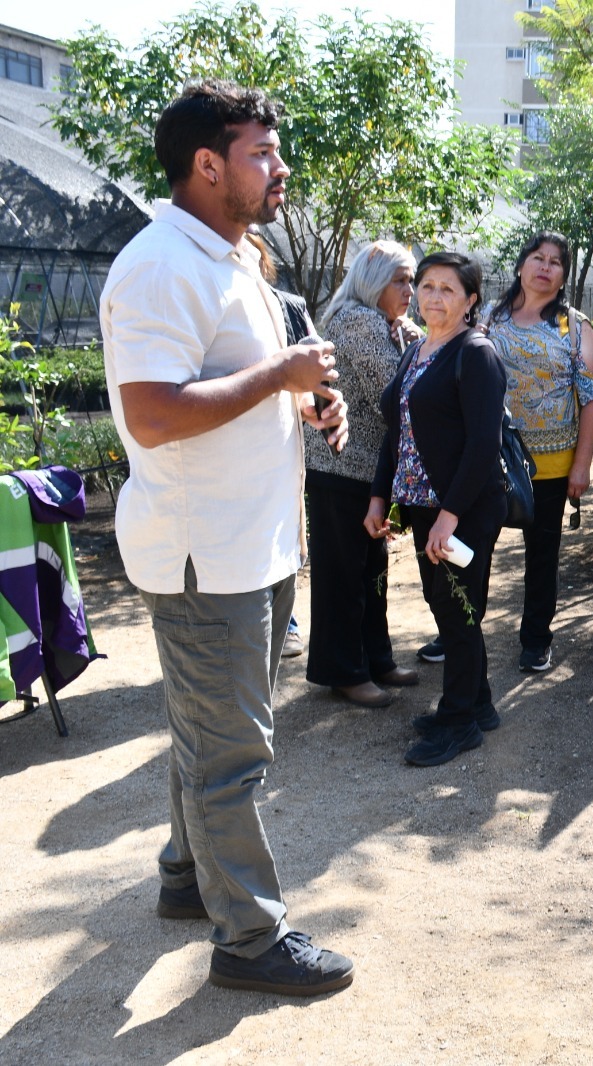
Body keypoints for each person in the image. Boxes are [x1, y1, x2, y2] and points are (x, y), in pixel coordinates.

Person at [100, 80, 354, 995]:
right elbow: (153, 413)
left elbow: (234, 379)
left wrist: (304, 399)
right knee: (230, 755)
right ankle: (249, 940)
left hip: (254, 544)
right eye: (262, 153)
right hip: (205, 555)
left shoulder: (234, 257)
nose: (280, 167)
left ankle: (184, 876)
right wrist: (279, 373)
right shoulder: (160, 265)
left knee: (204, 733)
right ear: (207, 165)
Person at [365, 252, 507, 768]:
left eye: (448, 289)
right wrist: (380, 497)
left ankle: (458, 721)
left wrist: (450, 515)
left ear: (470, 301)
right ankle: (479, 703)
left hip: (464, 507)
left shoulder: (477, 353)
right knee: (446, 604)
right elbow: (398, 432)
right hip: (423, 505)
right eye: (427, 286)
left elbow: (483, 445)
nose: (433, 296)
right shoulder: (416, 351)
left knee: (458, 609)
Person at [304, 240, 422, 707]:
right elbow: (395, 392)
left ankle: (376, 659)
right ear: (373, 283)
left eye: (412, 280)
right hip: (341, 467)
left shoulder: (383, 322)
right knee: (343, 574)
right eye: (400, 280)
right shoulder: (359, 320)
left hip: (365, 471)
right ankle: (345, 671)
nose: (410, 290)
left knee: (372, 571)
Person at [485, 231, 593, 673]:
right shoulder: (488, 319)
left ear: (564, 276)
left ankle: (536, 640)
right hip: (490, 458)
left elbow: (592, 399)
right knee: (473, 548)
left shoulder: (576, 328)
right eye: (538, 257)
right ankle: (457, 629)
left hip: (551, 467)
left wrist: (581, 465)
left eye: (556, 262)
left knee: (542, 556)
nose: (545, 267)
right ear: (521, 265)